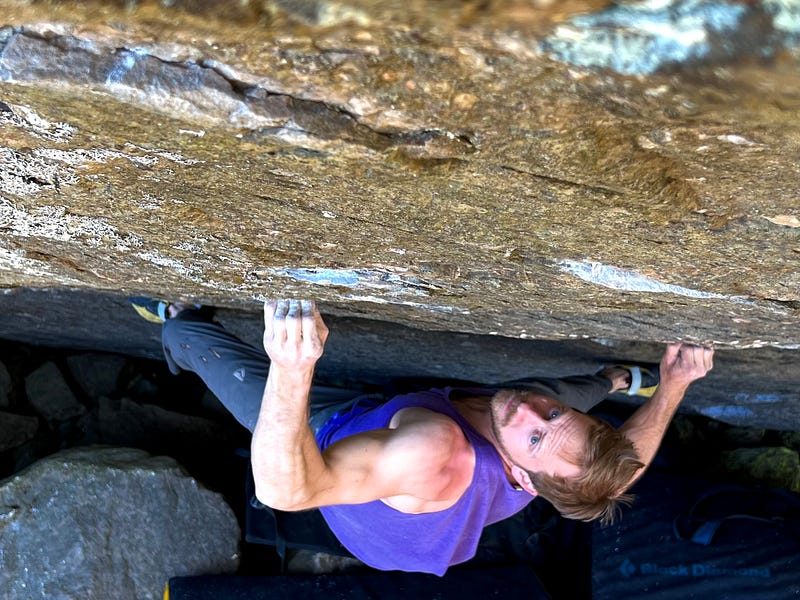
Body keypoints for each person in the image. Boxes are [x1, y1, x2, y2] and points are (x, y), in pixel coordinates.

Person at [132, 297, 714, 576]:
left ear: (521, 480)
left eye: (537, 441)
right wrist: (673, 385)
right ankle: (616, 379)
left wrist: (292, 370)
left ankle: (177, 325)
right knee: (536, 395)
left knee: (207, 350)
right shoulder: (554, 449)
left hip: (340, 453)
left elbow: (289, 492)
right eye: (560, 419)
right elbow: (627, 465)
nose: (533, 415)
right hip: (436, 503)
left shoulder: (436, 451)